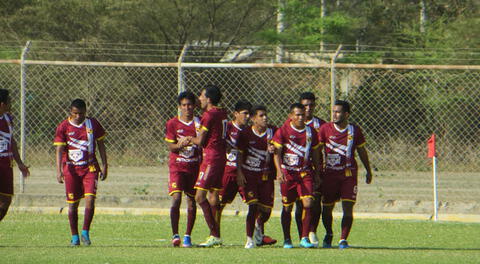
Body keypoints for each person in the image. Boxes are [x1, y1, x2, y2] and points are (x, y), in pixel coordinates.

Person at [318, 100, 372, 249]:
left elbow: (361, 150)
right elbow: (316, 151)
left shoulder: (355, 130)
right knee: (327, 208)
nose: (334, 114)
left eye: (338, 112)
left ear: (346, 114)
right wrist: (317, 171)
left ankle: (343, 239)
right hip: (329, 175)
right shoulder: (325, 129)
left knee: (348, 207)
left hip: (348, 175)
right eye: (333, 111)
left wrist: (368, 170)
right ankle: (329, 234)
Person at [54, 99, 108, 246]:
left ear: (86, 112)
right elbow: (59, 149)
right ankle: (75, 236)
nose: (78, 116)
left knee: (90, 199)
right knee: (73, 204)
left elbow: (101, 144)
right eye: (75, 113)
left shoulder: (93, 124)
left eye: (81, 113)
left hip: (90, 168)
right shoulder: (63, 127)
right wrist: (58, 170)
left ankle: (85, 232)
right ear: (70, 112)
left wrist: (104, 164)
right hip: (71, 169)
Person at [272, 103, 321, 249]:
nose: (300, 117)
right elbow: (277, 153)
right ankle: (287, 239)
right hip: (288, 174)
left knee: (308, 204)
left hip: (305, 173)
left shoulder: (311, 132)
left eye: (302, 114)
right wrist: (279, 171)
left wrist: (318, 172)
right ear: (291, 116)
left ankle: (304, 237)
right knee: (287, 207)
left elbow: (316, 153)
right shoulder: (283, 131)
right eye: (297, 115)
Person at [189, 85, 228, 247]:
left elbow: (200, 141)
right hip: (220, 157)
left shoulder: (209, 115)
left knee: (199, 196)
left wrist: (188, 139)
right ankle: (215, 235)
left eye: (201, 95)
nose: (199, 98)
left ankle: (215, 234)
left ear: (209, 99)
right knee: (213, 196)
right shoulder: (222, 112)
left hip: (211, 159)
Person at [236, 105, 277, 248]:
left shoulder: (273, 132)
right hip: (250, 175)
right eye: (261, 115)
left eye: (265, 115)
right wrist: (239, 172)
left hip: (266, 176)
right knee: (252, 206)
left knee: (266, 211)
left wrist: (276, 148)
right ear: (253, 119)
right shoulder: (245, 133)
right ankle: (249, 239)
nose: (265, 118)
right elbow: (239, 154)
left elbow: (281, 144)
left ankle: (259, 225)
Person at [164, 91, 201, 247]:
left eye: (190, 105)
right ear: (179, 107)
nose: (187, 108)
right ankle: (175, 234)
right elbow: (170, 146)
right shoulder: (172, 123)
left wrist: (194, 142)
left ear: (194, 106)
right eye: (184, 105)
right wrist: (179, 145)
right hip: (177, 167)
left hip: (194, 167)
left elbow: (204, 142)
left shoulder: (199, 123)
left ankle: (187, 236)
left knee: (192, 201)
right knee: (176, 198)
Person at [294, 92, 326, 246]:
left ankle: (312, 231)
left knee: (316, 201)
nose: (308, 108)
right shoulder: (291, 123)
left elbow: (326, 146)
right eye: (305, 105)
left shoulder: (321, 125)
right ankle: (302, 234)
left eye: (311, 105)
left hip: (316, 168)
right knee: (300, 203)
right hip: (297, 169)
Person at [217, 100, 251, 237]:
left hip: (245, 172)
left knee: (256, 205)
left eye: (249, 114)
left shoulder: (250, 131)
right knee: (219, 204)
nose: (247, 117)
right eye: (245, 113)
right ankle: (215, 234)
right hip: (228, 171)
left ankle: (259, 235)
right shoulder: (227, 128)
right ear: (235, 114)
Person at [0, 89, 30, 222]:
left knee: (5, 201)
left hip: (6, 164)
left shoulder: (8, 118)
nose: (11, 103)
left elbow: (11, 140)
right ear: (2, 104)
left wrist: (20, 163)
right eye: (9, 101)